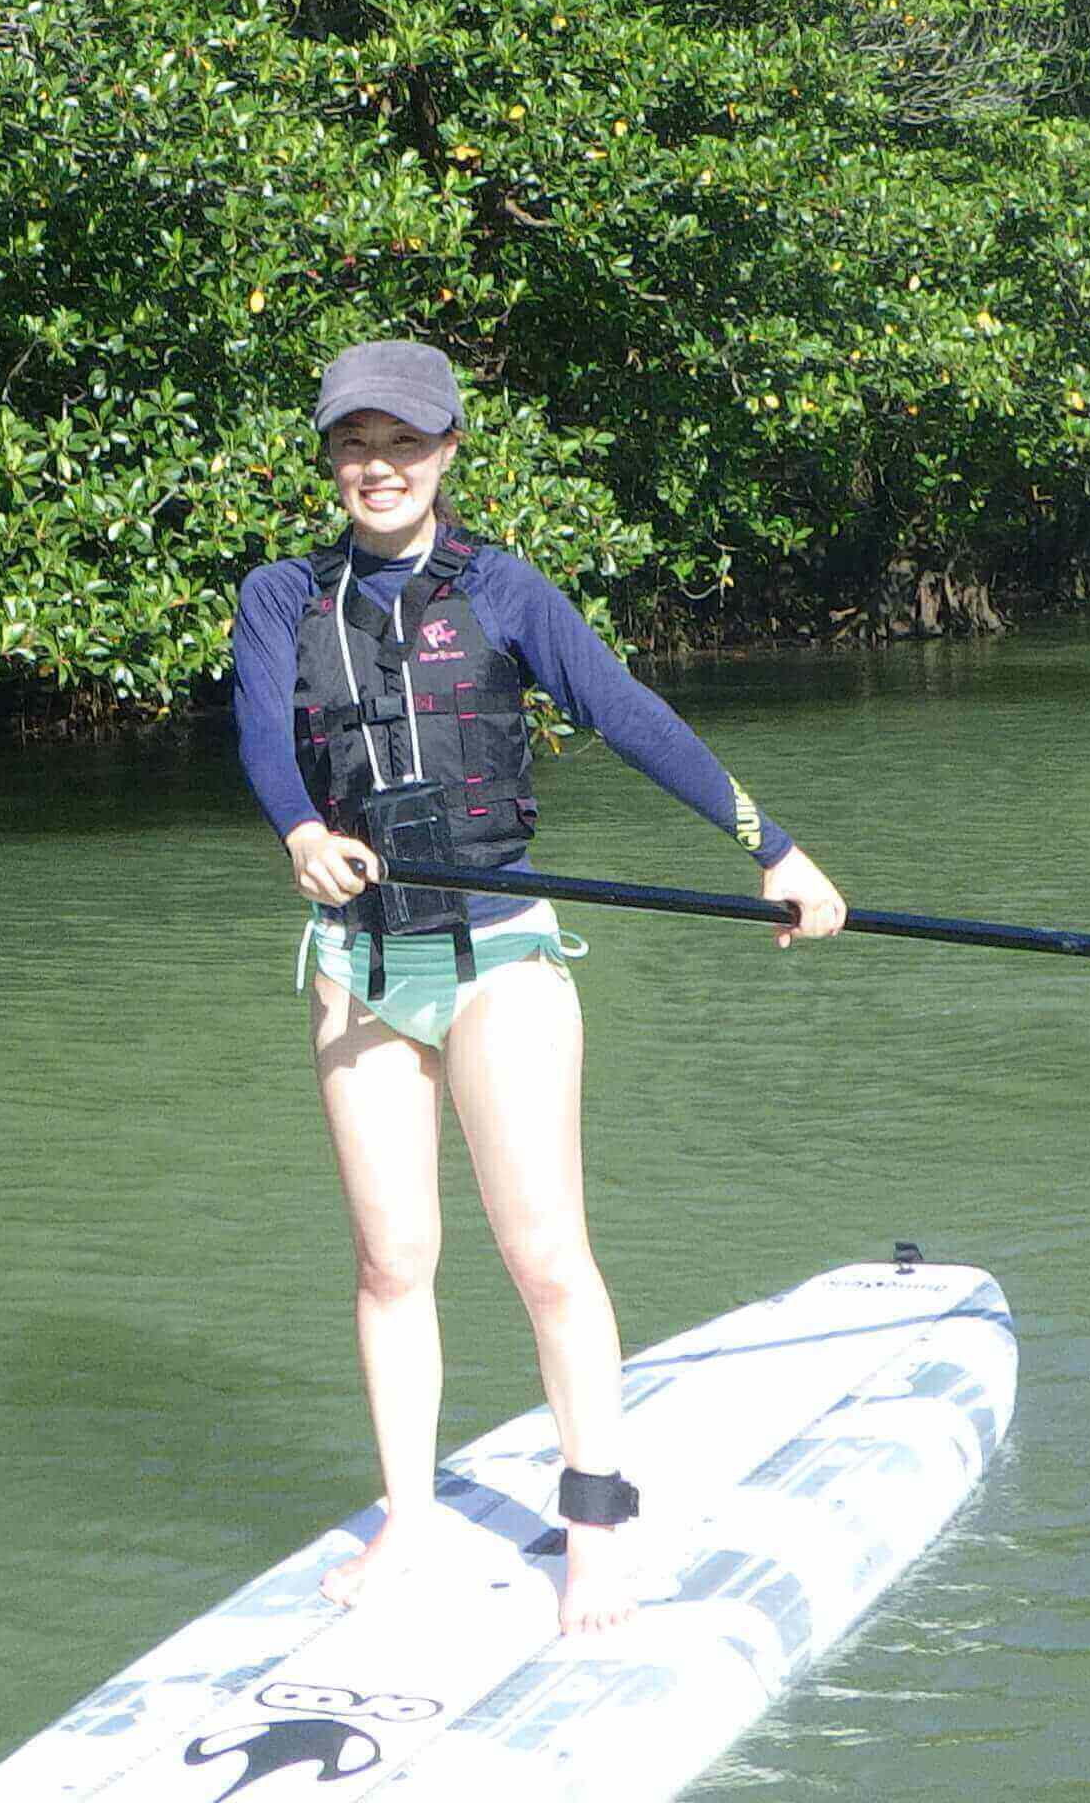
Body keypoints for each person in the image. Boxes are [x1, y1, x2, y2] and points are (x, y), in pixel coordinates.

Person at [226, 339, 848, 1634]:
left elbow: (628, 716)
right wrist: (297, 831)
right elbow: (259, 741)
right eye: (355, 445)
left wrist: (774, 849)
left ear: (448, 453)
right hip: (360, 959)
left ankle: (596, 1526)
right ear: (330, 459)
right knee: (392, 1260)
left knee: (547, 1260)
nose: (377, 467)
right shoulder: (281, 598)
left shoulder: (507, 592)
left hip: (501, 950)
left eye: (403, 444)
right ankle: (407, 1523)